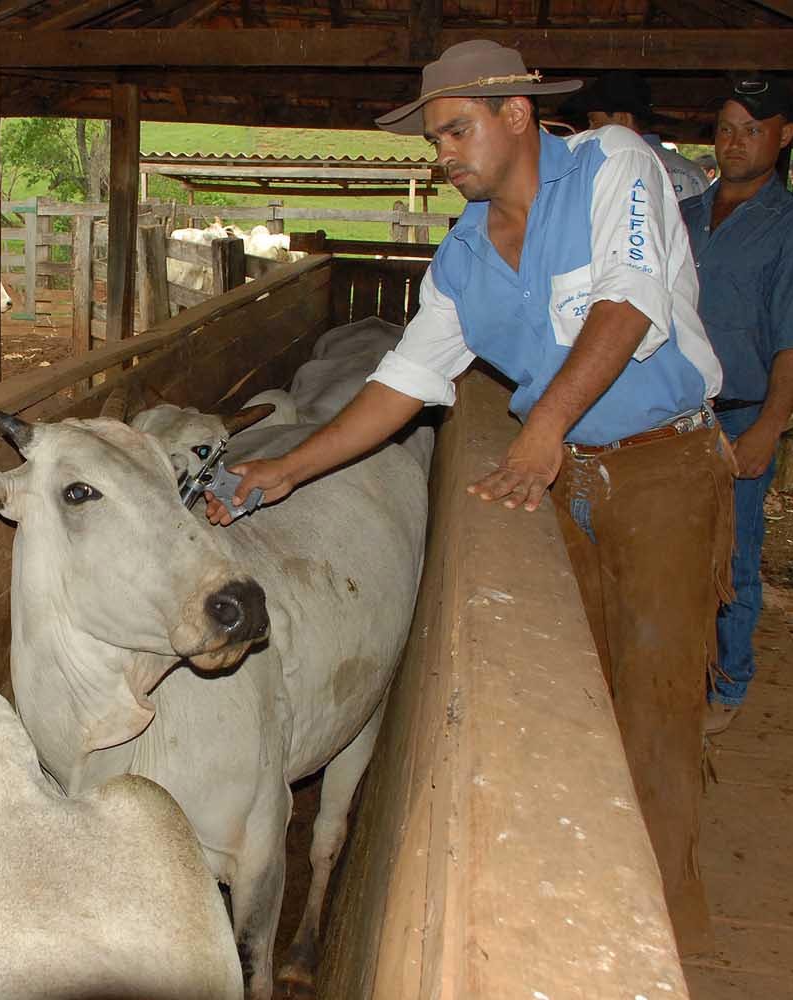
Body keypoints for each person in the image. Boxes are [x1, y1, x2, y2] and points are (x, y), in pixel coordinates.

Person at [208, 38, 733, 954]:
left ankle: (661, 940)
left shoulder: (612, 166)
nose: (443, 155)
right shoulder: (460, 257)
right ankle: (575, 901)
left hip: (661, 469)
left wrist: (543, 427)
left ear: (517, 114)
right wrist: (285, 469)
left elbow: (630, 301)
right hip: (560, 477)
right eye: (435, 140)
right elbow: (404, 381)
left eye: (457, 131)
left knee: (656, 705)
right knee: (577, 696)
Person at [679, 75, 793, 735]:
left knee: (734, 550)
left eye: (752, 129)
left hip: (741, 412)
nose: (735, 142)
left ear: (785, 135)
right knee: (668, 540)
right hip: (670, 411)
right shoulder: (684, 214)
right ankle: (670, 663)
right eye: (725, 129)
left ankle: (728, 680)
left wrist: (768, 429)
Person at [561, 70, 710, 200]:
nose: (590, 130)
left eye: (594, 121)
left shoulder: (604, 169)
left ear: (622, 118)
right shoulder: (691, 173)